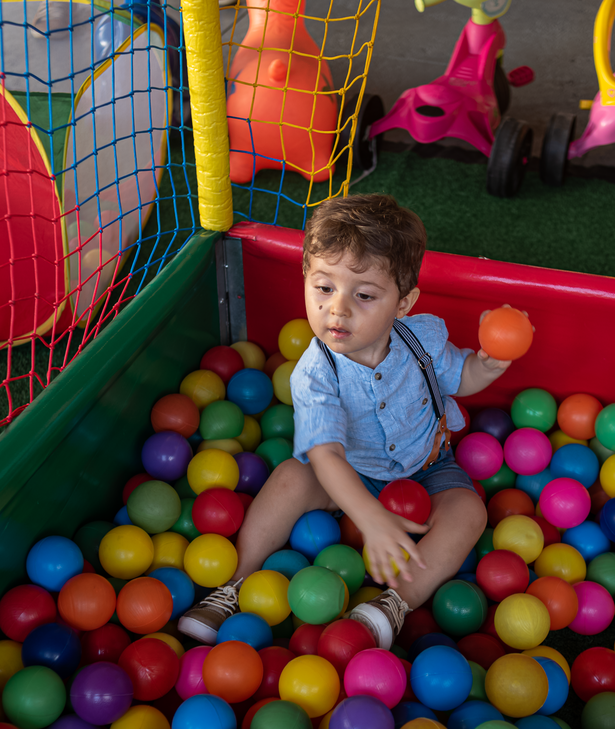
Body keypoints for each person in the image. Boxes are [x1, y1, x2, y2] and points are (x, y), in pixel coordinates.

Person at [178, 194, 516, 648]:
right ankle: (236, 584)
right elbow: (326, 455)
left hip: (429, 465)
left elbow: (460, 376)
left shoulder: (424, 336)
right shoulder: (314, 375)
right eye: (324, 287)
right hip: (347, 473)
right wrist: (370, 517)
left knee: (469, 511)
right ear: (305, 281)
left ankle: (394, 602)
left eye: (364, 295)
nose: (338, 309)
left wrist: (489, 365)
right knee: (290, 478)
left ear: (403, 302)